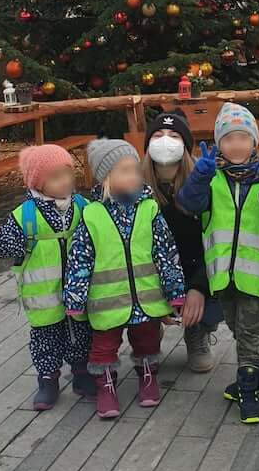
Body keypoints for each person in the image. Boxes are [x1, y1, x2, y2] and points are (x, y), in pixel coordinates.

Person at [64, 138, 185, 419]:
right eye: (124, 170)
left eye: (135, 169)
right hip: (107, 300)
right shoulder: (92, 214)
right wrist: (75, 297)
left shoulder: (149, 209)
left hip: (146, 296)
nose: (133, 176)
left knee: (147, 340)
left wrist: (174, 289)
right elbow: (80, 258)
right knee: (104, 346)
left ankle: (148, 374)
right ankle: (106, 384)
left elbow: (165, 251)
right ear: (107, 177)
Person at [178, 102, 259, 424]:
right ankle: (253, 376)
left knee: (249, 332)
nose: (236, 145)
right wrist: (198, 178)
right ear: (219, 143)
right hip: (222, 274)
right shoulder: (212, 177)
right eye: (229, 139)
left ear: (254, 142)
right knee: (235, 326)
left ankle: (249, 391)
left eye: (243, 138)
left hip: (256, 273)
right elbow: (188, 205)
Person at [0, 144, 93, 410]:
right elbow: (11, 248)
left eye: (68, 174)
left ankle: (82, 375)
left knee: (82, 334)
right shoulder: (26, 215)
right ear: (38, 183)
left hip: (78, 291)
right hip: (43, 298)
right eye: (55, 177)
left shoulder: (83, 206)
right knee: (46, 339)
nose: (65, 181)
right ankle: (48, 380)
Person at [142, 109, 223, 373]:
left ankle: (197, 333)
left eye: (174, 135)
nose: (166, 140)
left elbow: (213, 243)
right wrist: (155, 298)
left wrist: (198, 287)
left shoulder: (202, 185)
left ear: (186, 146)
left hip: (193, 270)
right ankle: (147, 332)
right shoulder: (134, 187)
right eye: (159, 134)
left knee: (221, 297)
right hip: (149, 276)